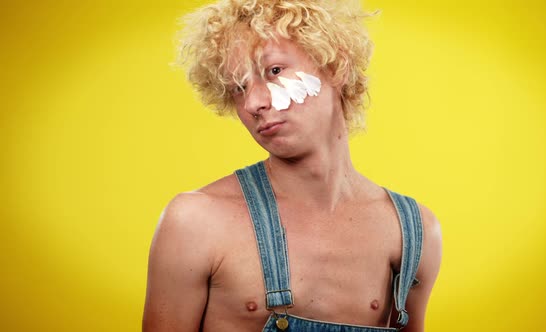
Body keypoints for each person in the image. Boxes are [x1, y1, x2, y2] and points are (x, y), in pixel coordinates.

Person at [142, 0, 442, 331]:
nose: (254, 103)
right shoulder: (195, 222)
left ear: (335, 65)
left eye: (274, 71)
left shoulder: (414, 232)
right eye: (239, 88)